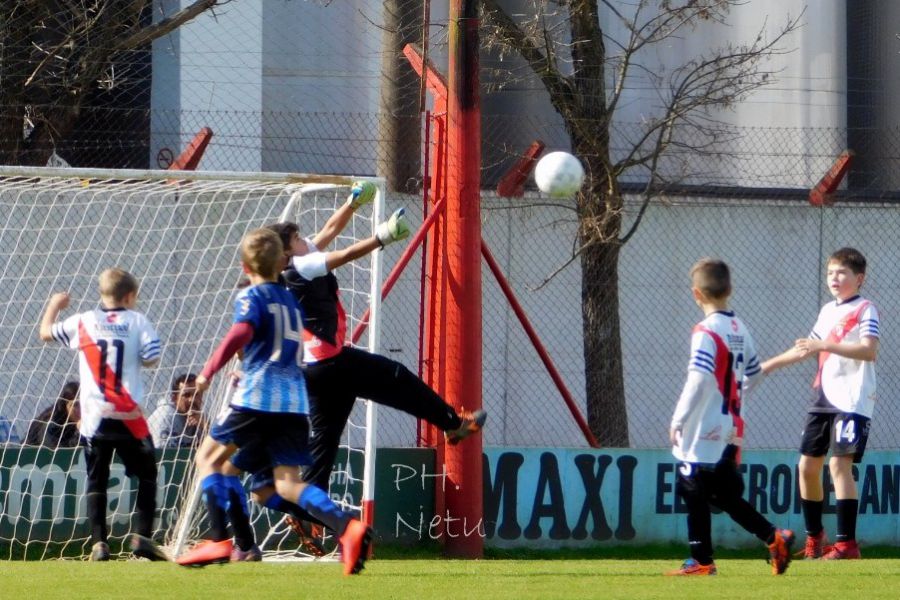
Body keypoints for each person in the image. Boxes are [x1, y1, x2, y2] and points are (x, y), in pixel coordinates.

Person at [230, 182, 486, 547]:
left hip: (317, 371)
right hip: (335, 364)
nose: (307, 239)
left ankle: (309, 516)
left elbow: (331, 230)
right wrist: (381, 237)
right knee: (397, 379)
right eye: (299, 238)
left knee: (323, 448)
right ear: (286, 252)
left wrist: (352, 204)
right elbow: (345, 252)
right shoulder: (303, 265)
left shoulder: (296, 262)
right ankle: (453, 423)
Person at [175, 228, 372, 575]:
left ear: (245, 266)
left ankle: (220, 539)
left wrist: (207, 374)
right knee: (286, 484)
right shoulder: (292, 303)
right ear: (280, 263)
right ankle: (347, 526)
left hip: (258, 397)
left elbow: (239, 333)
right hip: (293, 404)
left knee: (208, 459)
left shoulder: (253, 296)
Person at [667, 258, 793, 576]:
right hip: (729, 424)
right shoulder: (739, 327)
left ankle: (701, 561)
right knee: (724, 494)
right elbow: (754, 373)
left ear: (696, 293)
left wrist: (678, 418)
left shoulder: (706, 331)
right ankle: (773, 536)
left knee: (691, 485)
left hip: (703, 425)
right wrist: (735, 400)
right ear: (730, 289)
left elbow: (697, 378)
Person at [38, 268, 168, 562]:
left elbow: (45, 333)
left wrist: (55, 305)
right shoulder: (138, 321)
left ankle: (99, 544)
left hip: (95, 417)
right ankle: (143, 537)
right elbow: (151, 357)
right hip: (128, 415)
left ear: (102, 294)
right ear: (130, 296)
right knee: (148, 475)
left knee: (97, 478)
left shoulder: (84, 320)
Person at [761, 247, 878, 560]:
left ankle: (846, 546)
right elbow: (805, 349)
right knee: (807, 467)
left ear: (859, 278)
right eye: (830, 273)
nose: (834, 278)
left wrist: (825, 344)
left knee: (840, 465)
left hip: (852, 400)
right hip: (823, 398)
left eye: (841, 273)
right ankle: (815, 540)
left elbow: (869, 351)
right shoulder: (828, 311)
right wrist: (766, 367)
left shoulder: (866, 308)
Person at [147, 373, 205, 448]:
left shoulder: (200, 417)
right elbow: (162, 457)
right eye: (186, 395)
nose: (192, 399)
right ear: (174, 398)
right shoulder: (165, 418)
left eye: (196, 394)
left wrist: (204, 425)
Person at [25, 381, 81, 448]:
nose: (81, 409)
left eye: (84, 404)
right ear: (64, 406)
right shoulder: (52, 424)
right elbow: (60, 453)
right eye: (75, 405)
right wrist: (79, 433)